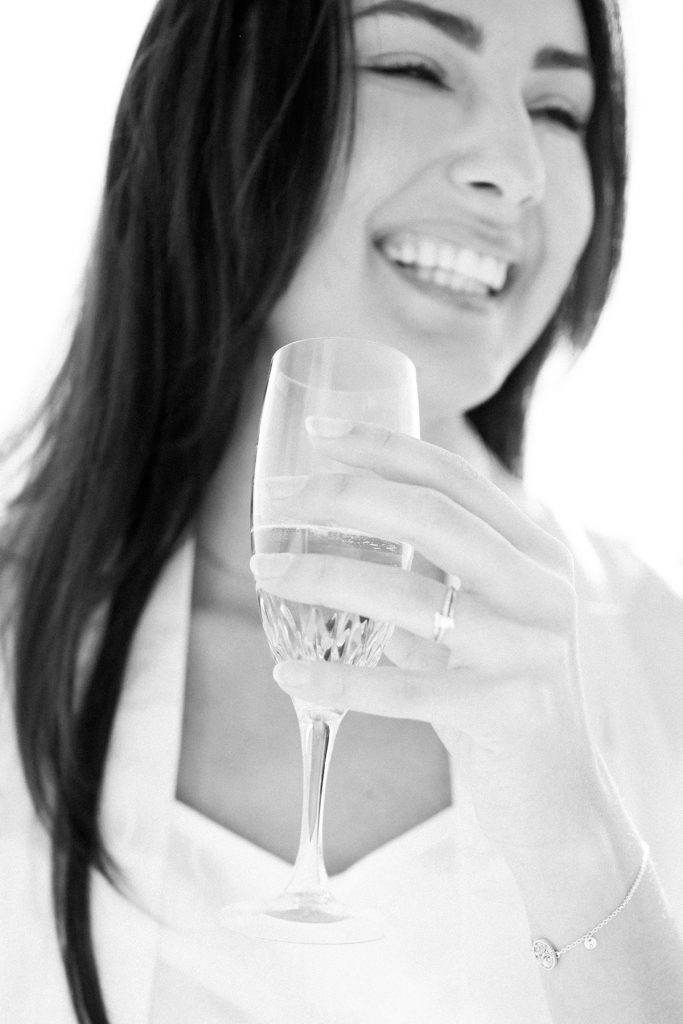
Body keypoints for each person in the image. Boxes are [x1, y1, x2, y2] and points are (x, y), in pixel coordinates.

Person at [1, 0, 682, 1021]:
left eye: (558, 109)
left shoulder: (655, 655)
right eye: (414, 67)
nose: (516, 168)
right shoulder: (18, 631)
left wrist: (575, 838)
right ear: (219, 106)